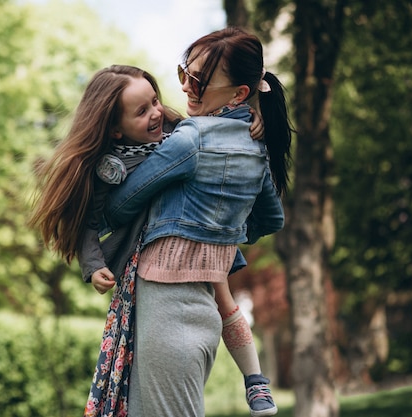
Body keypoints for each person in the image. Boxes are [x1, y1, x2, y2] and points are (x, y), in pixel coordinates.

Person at [29, 62, 270, 417]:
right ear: (114, 130)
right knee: (220, 297)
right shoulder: (108, 169)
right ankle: (256, 381)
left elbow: (222, 121)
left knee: (225, 300)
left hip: (197, 239)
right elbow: (87, 222)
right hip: (151, 253)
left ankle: (255, 380)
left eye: (155, 101)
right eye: (142, 112)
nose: (156, 112)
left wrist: (254, 117)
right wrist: (94, 266)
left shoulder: (180, 131)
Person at [104, 27, 293, 417]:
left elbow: (120, 208)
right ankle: (256, 382)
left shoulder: (189, 140)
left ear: (240, 93)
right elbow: (272, 219)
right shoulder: (256, 146)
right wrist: (221, 236)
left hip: (166, 306)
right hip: (207, 310)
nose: (188, 87)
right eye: (184, 74)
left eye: (200, 81)